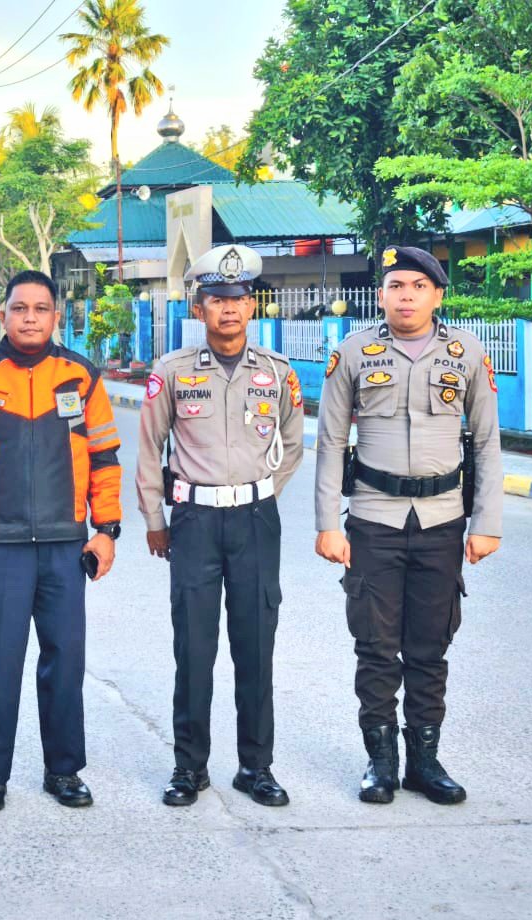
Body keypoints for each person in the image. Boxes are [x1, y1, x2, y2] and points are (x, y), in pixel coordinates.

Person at [315, 245, 501, 806]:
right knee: (375, 645)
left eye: (419, 287)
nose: (407, 296)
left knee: (430, 646)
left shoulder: (467, 352)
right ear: (381, 294)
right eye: (396, 286)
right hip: (373, 518)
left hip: (443, 520)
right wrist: (328, 524)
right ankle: (381, 763)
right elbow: (330, 441)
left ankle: (424, 761)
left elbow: (487, 443)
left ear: (437, 295)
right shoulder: (353, 352)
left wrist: (486, 522)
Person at [0, 269, 122, 813]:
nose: (30, 318)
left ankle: (64, 771)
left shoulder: (81, 377)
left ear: (56, 316)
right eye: (20, 308)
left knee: (65, 662)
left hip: (66, 546)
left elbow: (105, 458)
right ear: (4, 315)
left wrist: (106, 531)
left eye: (41, 309)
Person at [137, 244, 304, 808]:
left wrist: (261, 492)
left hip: (255, 520)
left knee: (255, 648)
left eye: (238, 299)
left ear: (251, 306)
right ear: (199, 307)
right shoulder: (172, 372)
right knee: (194, 648)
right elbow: (149, 449)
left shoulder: (276, 373)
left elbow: (293, 444)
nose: (228, 309)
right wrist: (155, 517)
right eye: (216, 300)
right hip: (194, 522)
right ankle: (189, 768)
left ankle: (256, 767)